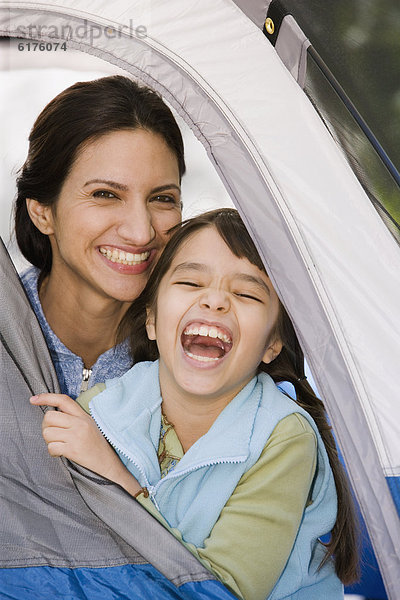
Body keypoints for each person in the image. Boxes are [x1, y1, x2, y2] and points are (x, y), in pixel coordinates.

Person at [31, 209, 359, 600]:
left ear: (273, 343)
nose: (216, 301)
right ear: (151, 318)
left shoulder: (284, 437)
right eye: (190, 281)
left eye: (246, 293)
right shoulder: (102, 409)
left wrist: (117, 478)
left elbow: (224, 590)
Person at [15, 74, 185, 398]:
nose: (141, 233)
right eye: (105, 194)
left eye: (162, 198)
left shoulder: (200, 347)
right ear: (42, 211)